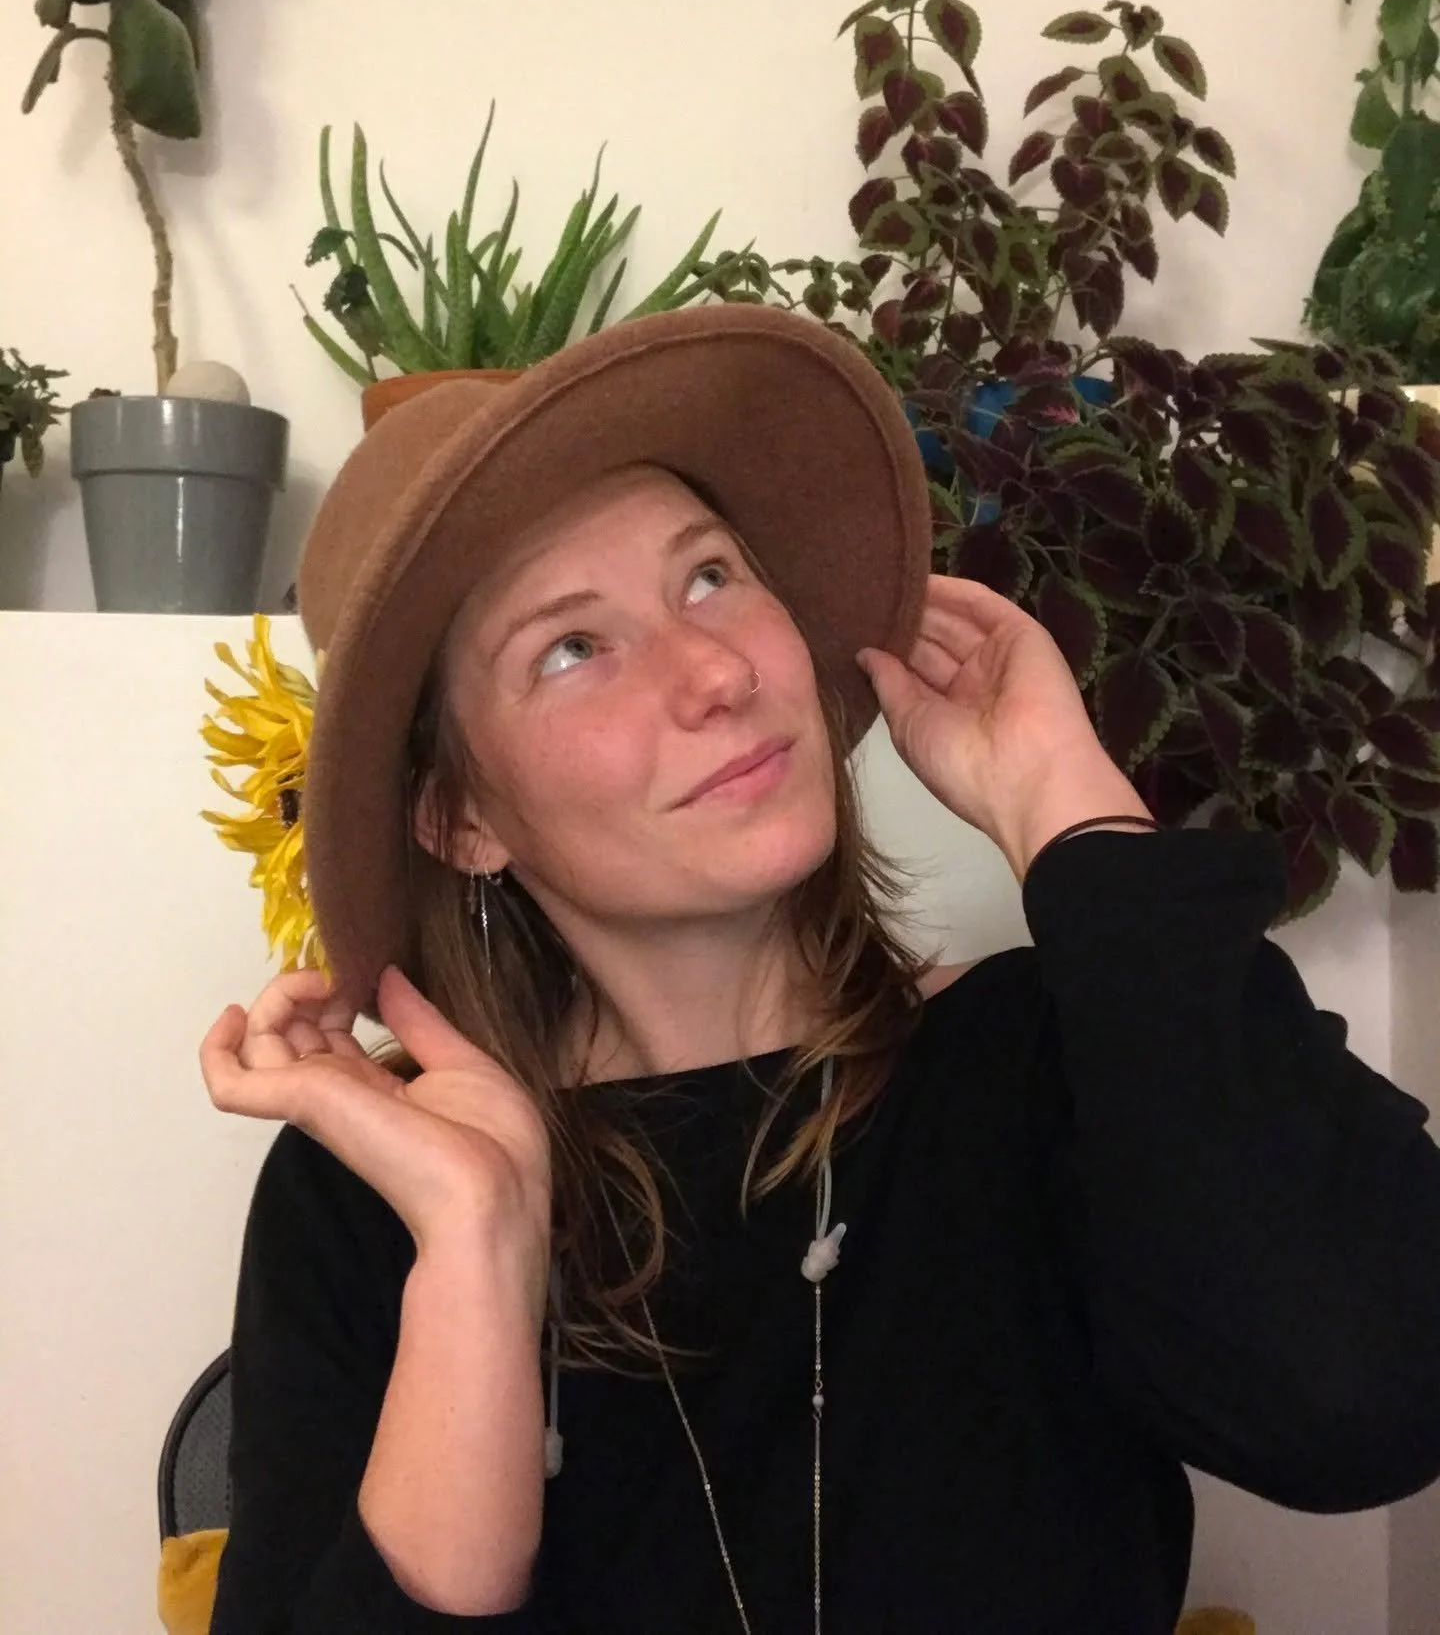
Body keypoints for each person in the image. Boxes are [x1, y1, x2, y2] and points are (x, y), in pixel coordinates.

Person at [201, 304, 1440, 1635]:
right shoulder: (377, 1191)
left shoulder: (1046, 1061)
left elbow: (1365, 1399)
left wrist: (1067, 810)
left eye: (710, 577)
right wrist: (477, 1253)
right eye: (572, 648)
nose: (715, 671)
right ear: (460, 818)